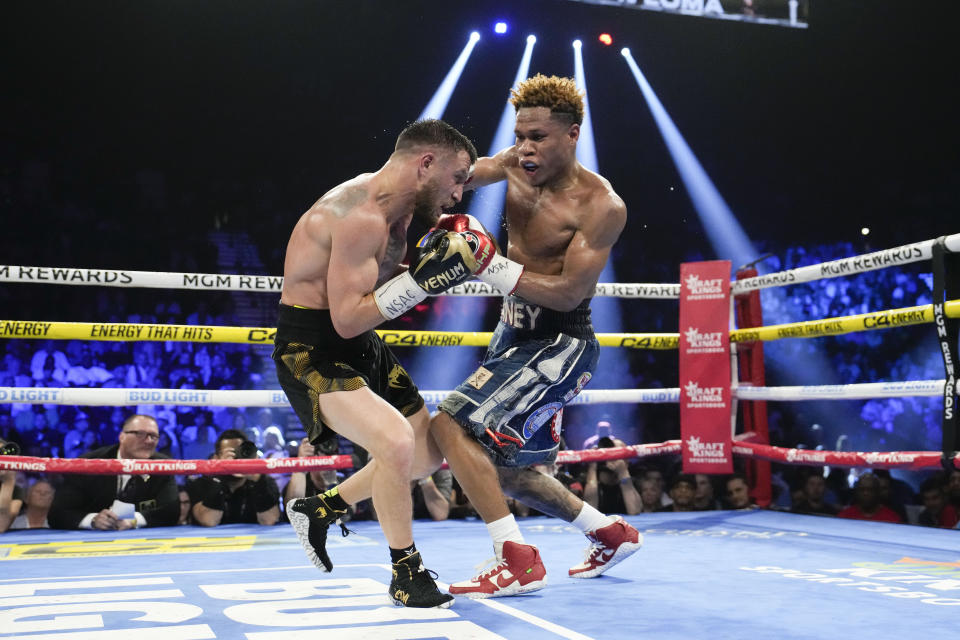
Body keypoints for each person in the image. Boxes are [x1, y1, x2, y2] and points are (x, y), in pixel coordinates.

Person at [428, 74, 639, 595]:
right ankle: (609, 532)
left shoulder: (600, 205)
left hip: (560, 344)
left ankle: (515, 558)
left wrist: (487, 265)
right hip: (511, 332)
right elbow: (445, 181)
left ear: (572, 134)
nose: (524, 148)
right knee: (510, 471)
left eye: (538, 137)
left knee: (452, 426)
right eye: (520, 135)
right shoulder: (512, 164)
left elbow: (569, 293)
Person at [274, 119, 485, 609]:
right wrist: (422, 283)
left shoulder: (409, 200)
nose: (459, 195)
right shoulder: (359, 217)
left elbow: (479, 170)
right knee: (393, 442)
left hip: (360, 342)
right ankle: (405, 573)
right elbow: (346, 319)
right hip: (313, 348)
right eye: (457, 181)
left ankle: (324, 507)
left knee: (427, 453)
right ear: (425, 164)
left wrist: (523, 157)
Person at [48, 414, 179, 530]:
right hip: (91, 544)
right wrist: (92, 520)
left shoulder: (162, 465)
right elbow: (58, 513)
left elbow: (171, 512)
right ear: (122, 436)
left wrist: (134, 520)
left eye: (154, 436)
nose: (149, 441)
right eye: (140, 434)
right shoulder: (88, 464)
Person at [188, 429, 281, 526]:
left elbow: (269, 520)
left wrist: (256, 479)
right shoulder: (202, 483)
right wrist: (221, 471)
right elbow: (208, 520)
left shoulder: (264, 481)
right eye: (231, 453)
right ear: (216, 458)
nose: (236, 459)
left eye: (240, 453)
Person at [837, 473, 903, 524]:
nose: (866, 493)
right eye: (862, 490)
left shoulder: (892, 518)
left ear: (877, 492)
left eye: (870, 490)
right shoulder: (845, 516)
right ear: (856, 492)